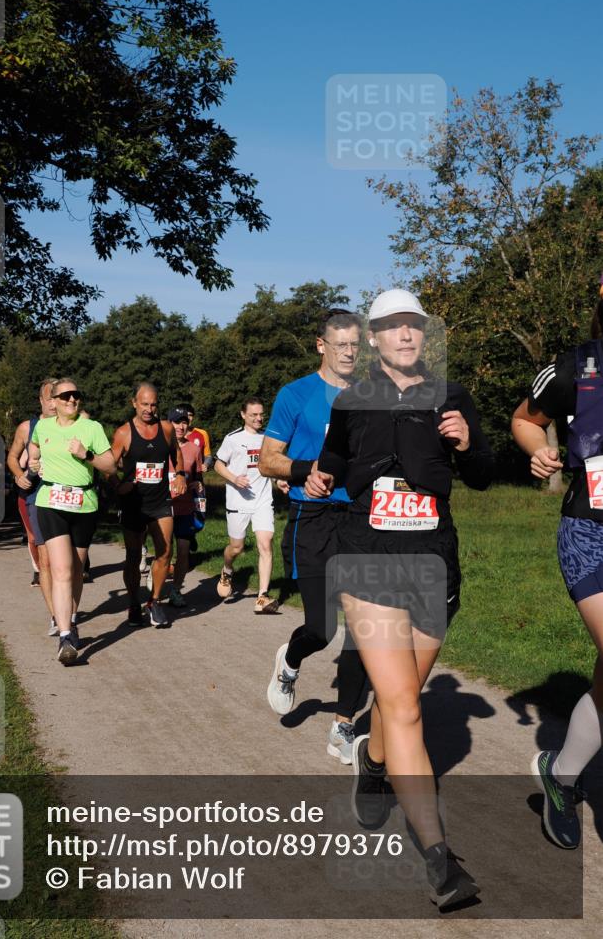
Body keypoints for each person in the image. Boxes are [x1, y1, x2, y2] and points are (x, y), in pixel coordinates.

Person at [315, 289, 493, 910]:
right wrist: (320, 473)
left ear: (424, 334)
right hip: (366, 557)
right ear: (373, 337)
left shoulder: (450, 395)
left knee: (403, 704)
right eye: (391, 326)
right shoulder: (352, 398)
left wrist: (467, 442)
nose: (405, 335)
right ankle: (441, 862)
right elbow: (334, 457)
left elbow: (483, 472)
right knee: (403, 705)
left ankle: (373, 760)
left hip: (432, 559)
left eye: (413, 325)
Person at [511, 293, 603, 850]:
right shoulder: (575, 367)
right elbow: (525, 419)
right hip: (591, 533)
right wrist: (537, 449)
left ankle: (562, 775)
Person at [259, 308, 370, 764]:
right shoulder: (296, 394)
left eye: (354, 344)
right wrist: (307, 472)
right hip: (313, 517)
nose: (348, 352)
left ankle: (344, 726)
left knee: (365, 630)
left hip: (362, 517)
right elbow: (268, 460)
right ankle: (290, 661)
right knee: (323, 629)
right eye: (340, 344)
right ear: (321, 345)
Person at [28, 378, 115, 665]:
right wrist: (33, 461)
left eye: (76, 395)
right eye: (65, 396)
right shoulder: (43, 427)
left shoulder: (92, 428)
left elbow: (110, 465)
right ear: (52, 401)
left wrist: (85, 454)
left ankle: (72, 619)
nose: (71, 400)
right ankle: (65, 637)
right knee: (62, 569)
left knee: (76, 570)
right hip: (50, 503)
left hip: (84, 505)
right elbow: (34, 448)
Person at [110, 383, 187, 629]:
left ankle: (154, 602)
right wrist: (118, 486)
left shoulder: (166, 428)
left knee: (165, 552)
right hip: (134, 502)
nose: (149, 409)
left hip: (160, 500)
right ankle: (134, 602)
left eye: (153, 404)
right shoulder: (124, 433)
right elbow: (108, 466)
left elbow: (177, 453)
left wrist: (181, 474)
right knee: (133, 556)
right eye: (144, 404)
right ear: (134, 403)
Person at [214, 399, 278, 613]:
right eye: (253, 415)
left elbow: (271, 466)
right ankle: (227, 569)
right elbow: (218, 464)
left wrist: (281, 480)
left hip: (262, 499)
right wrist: (233, 479)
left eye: (261, 414)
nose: (259, 418)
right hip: (238, 501)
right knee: (237, 548)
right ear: (243, 415)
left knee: (265, 543)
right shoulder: (233, 439)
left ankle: (262, 597)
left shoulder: (268, 438)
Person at [7, 378, 58, 632]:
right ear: (40, 400)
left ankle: (65, 608)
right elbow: (12, 457)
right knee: (47, 561)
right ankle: (56, 616)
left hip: (66, 499)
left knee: (69, 562)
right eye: (48, 397)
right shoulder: (27, 428)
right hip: (37, 497)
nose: (52, 403)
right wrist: (18, 475)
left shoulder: (72, 426)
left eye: (56, 397)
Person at [167, 408, 205, 607]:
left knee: (183, 550)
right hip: (164, 507)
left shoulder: (194, 449)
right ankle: (155, 584)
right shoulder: (160, 447)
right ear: (168, 424)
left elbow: (198, 478)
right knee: (164, 551)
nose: (180, 426)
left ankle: (175, 590)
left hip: (185, 507)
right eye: (176, 422)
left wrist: (197, 485)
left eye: (183, 422)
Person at [182, 403, 214, 470]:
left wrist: (205, 464)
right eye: (185, 415)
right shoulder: (171, 434)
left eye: (190, 415)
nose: (188, 418)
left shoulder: (202, 433)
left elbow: (208, 455)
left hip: (196, 477)